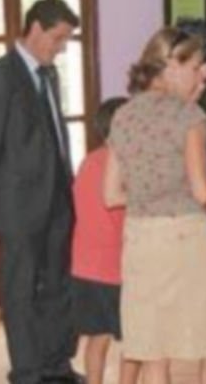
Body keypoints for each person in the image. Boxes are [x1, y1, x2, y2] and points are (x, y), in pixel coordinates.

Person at [103, 27, 206, 384]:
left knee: (154, 351)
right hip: (185, 238)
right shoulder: (188, 118)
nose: (201, 76)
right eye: (195, 67)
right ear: (170, 65)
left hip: (140, 240)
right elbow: (201, 192)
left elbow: (111, 194)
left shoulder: (123, 115)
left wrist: (151, 195)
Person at [0, 0, 82, 383]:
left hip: (58, 200)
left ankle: (56, 365)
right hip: (16, 209)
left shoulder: (50, 74)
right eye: (58, 38)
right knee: (21, 292)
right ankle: (26, 372)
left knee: (58, 286)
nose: (60, 47)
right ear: (36, 28)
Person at [71, 98, 141, 384]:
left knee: (97, 340)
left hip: (84, 269)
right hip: (117, 270)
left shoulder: (88, 161)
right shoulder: (124, 166)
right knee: (136, 341)